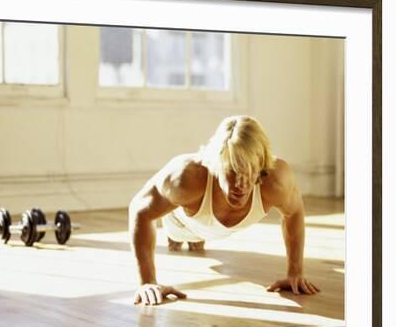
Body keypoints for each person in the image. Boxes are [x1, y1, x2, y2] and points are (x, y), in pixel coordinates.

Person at [128, 115, 320, 306]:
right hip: (181, 223)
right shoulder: (185, 179)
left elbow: (293, 212)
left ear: (261, 167)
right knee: (178, 237)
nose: (240, 185)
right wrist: (147, 282)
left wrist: (295, 273)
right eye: (232, 171)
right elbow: (139, 209)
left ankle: (199, 233)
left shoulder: (277, 181)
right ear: (216, 165)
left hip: (211, 222)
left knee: (201, 237)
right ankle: (183, 233)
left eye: (249, 172)